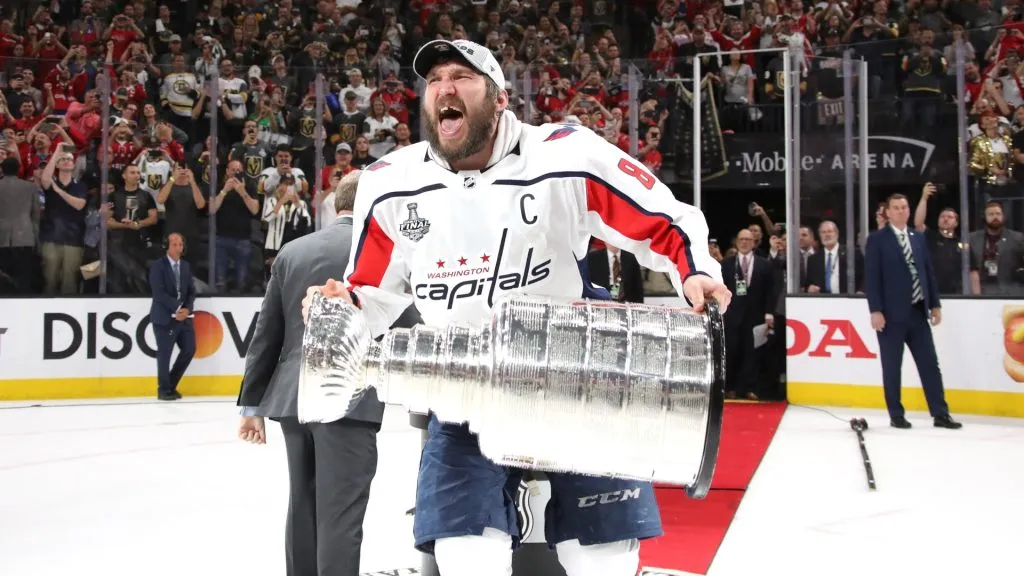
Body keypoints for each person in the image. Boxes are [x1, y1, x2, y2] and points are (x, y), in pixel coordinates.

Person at [302, 39, 730, 576]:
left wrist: (696, 271)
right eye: (434, 80)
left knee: (601, 558)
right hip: (462, 385)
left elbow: (664, 217)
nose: (445, 89)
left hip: (577, 372)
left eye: (462, 76)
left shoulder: (566, 153)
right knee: (463, 554)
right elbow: (370, 293)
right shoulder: (389, 183)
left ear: (500, 97)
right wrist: (342, 306)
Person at [237, 170, 420, 576]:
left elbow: (266, 333)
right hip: (348, 397)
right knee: (340, 510)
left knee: (303, 502)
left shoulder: (293, 251)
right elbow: (410, 323)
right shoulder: (384, 252)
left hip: (292, 399)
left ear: (336, 204)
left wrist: (251, 403)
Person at [864, 194, 962, 430]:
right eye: (895, 208)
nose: (900, 211)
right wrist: (875, 310)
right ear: (887, 212)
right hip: (890, 315)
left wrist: (935, 303)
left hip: (917, 312)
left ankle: (940, 413)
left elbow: (927, 272)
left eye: (904, 207)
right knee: (892, 365)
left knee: (930, 363)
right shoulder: (877, 240)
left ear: (909, 211)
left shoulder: (917, 238)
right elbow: (872, 277)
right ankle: (896, 414)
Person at [720, 228, 775, 400]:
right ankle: (731, 387)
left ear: (754, 242)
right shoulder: (726, 264)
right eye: (741, 239)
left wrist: (769, 313)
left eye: (748, 239)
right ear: (737, 242)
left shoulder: (763, 264)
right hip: (732, 315)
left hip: (755, 315)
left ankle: (751, 387)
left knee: (752, 353)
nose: (744, 242)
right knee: (732, 351)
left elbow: (770, 291)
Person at [148, 232, 196, 401]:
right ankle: (163, 389)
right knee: (165, 353)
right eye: (174, 244)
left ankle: (171, 385)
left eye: (180, 245)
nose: (178, 248)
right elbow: (158, 293)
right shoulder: (158, 266)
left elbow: (191, 291)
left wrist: (187, 309)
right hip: (164, 317)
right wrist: (177, 307)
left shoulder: (185, 266)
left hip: (184, 318)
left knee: (189, 349)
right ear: (166, 246)